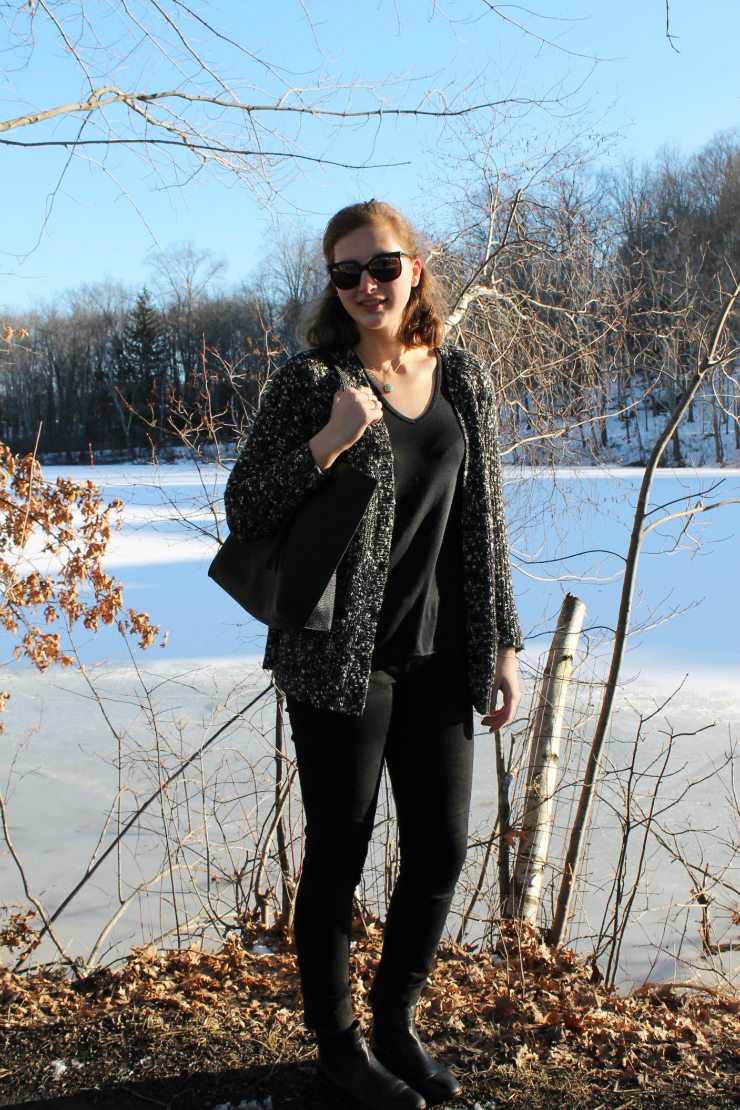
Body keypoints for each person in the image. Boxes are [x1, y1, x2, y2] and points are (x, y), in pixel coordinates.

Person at [224, 200, 523, 1110]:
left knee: (440, 850)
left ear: (416, 269)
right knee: (341, 855)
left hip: (438, 654)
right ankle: (340, 1045)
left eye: (381, 267)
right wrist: (329, 441)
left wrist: (503, 641)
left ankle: (395, 1018)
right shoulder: (311, 382)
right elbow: (246, 507)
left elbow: (485, 523)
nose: (365, 286)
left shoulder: (461, 378)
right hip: (336, 661)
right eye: (345, 273)